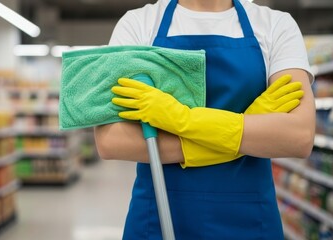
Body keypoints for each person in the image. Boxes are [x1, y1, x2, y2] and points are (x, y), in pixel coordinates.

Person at [94, 0, 316, 239]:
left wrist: (183, 119)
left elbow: (298, 136)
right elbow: (111, 140)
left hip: (249, 222)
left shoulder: (275, 25)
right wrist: (248, 125)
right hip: (158, 217)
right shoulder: (139, 24)